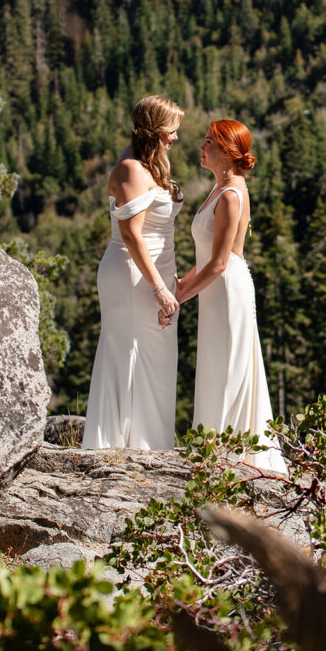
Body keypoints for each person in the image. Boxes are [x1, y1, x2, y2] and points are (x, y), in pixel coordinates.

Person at [172, 120, 287, 475]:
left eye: (209, 142)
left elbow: (220, 262)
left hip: (226, 289)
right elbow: (206, 259)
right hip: (214, 290)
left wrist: (180, 297)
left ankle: (229, 456)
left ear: (226, 152)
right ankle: (216, 451)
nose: (201, 147)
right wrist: (179, 285)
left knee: (227, 368)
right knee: (214, 365)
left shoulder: (232, 194)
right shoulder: (219, 188)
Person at [82, 95, 184, 450]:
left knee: (157, 355)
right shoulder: (131, 169)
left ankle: (150, 444)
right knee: (128, 353)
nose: (175, 138)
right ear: (156, 132)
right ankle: (115, 447)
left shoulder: (151, 165)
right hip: (131, 273)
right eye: (172, 131)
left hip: (154, 271)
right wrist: (159, 288)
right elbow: (131, 234)